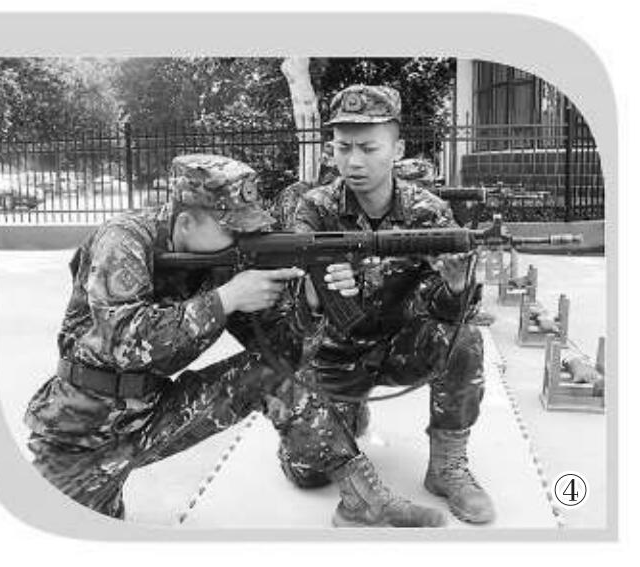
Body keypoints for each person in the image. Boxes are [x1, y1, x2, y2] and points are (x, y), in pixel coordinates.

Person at [23, 153, 445, 528]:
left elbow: (284, 354)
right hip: (80, 434)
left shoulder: (222, 263)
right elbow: (124, 341)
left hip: (154, 414)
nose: (243, 240)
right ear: (186, 222)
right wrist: (226, 299)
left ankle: (364, 500)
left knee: (278, 376)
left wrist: (312, 302)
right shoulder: (124, 238)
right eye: (231, 229)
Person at [277, 85, 496, 524]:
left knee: (464, 340)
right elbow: (288, 314)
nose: (354, 162)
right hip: (333, 357)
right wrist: (315, 291)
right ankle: (349, 410)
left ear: (397, 150)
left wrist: (456, 288)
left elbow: (446, 312)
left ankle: (447, 466)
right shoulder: (313, 210)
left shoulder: (428, 213)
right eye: (343, 148)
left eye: (368, 148)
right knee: (307, 474)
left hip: (400, 347)